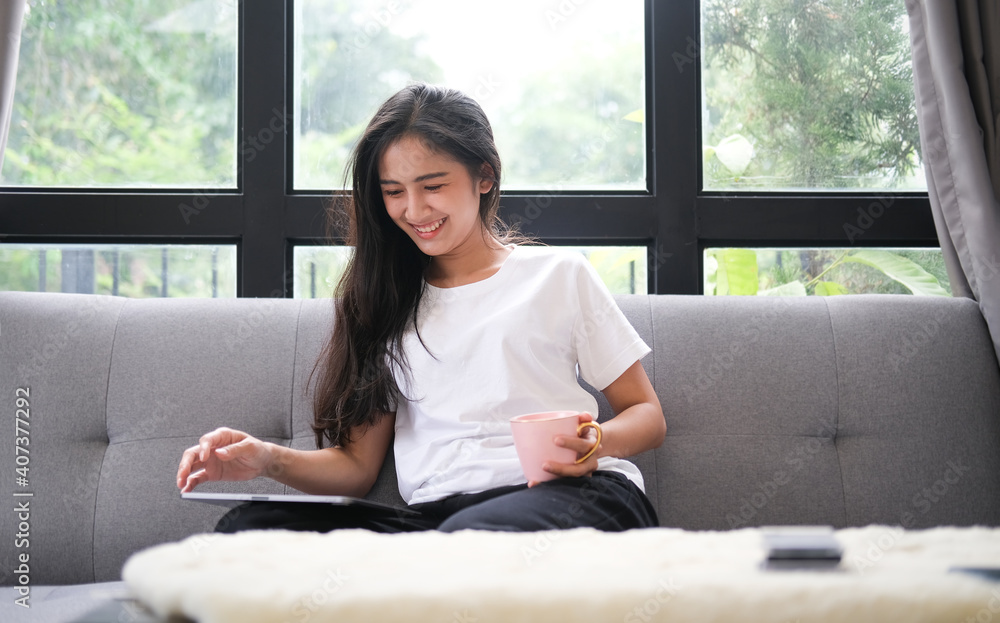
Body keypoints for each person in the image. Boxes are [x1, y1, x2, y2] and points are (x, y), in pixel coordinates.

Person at [175, 82, 666, 533]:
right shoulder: (382, 302)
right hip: (441, 519)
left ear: (484, 177)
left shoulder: (559, 275)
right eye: (393, 192)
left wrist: (595, 442)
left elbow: (646, 414)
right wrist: (265, 459)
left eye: (432, 186)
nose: (414, 210)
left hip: (574, 496)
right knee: (250, 529)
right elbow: (356, 469)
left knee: (465, 544)